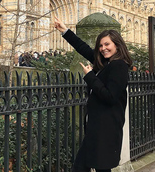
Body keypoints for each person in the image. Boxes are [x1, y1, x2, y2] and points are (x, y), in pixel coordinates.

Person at [54, 17, 132, 172]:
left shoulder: (119, 66)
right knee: (87, 166)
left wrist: (90, 77)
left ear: (117, 44)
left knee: (89, 167)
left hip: (106, 130)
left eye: (107, 44)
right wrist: (65, 31)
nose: (103, 48)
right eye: (101, 45)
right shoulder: (106, 64)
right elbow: (84, 48)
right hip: (97, 129)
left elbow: (110, 97)